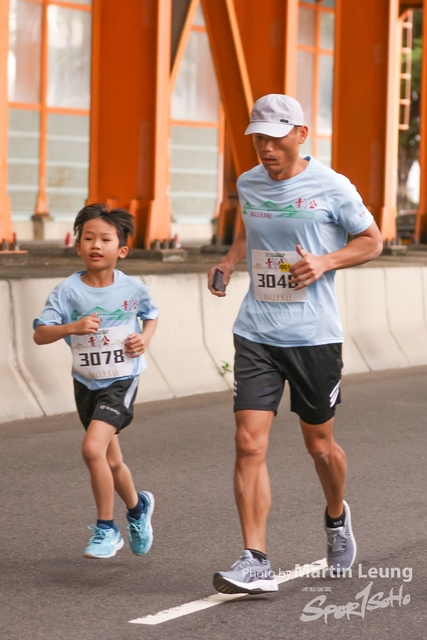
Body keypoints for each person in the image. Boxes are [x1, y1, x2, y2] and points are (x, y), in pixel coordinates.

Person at [208, 94, 383, 594]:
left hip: (313, 337)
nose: (265, 148)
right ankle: (255, 559)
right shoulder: (249, 183)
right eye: (258, 138)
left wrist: (325, 261)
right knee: (248, 441)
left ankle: (336, 516)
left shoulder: (332, 186)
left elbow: (372, 241)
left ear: (301, 135)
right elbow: (251, 229)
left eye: (275, 138)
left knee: (319, 445)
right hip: (257, 330)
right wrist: (229, 261)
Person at [33, 203, 159, 559]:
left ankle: (107, 529)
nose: (96, 245)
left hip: (122, 379)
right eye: (88, 238)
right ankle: (138, 508)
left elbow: (151, 315)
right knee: (111, 461)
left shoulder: (133, 288)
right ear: (78, 246)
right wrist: (71, 327)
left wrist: (144, 338)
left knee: (92, 449)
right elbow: (40, 334)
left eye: (105, 239)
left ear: (122, 250)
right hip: (87, 382)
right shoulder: (67, 291)